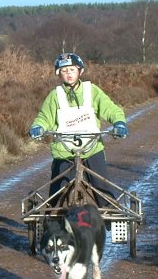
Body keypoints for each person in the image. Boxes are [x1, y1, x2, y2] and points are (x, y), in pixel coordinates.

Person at [29, 52, 128, 208]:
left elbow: (111, 109)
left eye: (72, 70)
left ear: (80, 71)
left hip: (92, 148)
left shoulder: (92, 91)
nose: (68, 74)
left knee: (102, 187)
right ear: (59, 74)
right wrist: (38, 127)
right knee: (58, 192)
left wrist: (119, 123)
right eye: (64, 71)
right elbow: (45, 117)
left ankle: (111, 215)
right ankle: (52, 222)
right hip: (64, 151)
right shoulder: (55, 96)